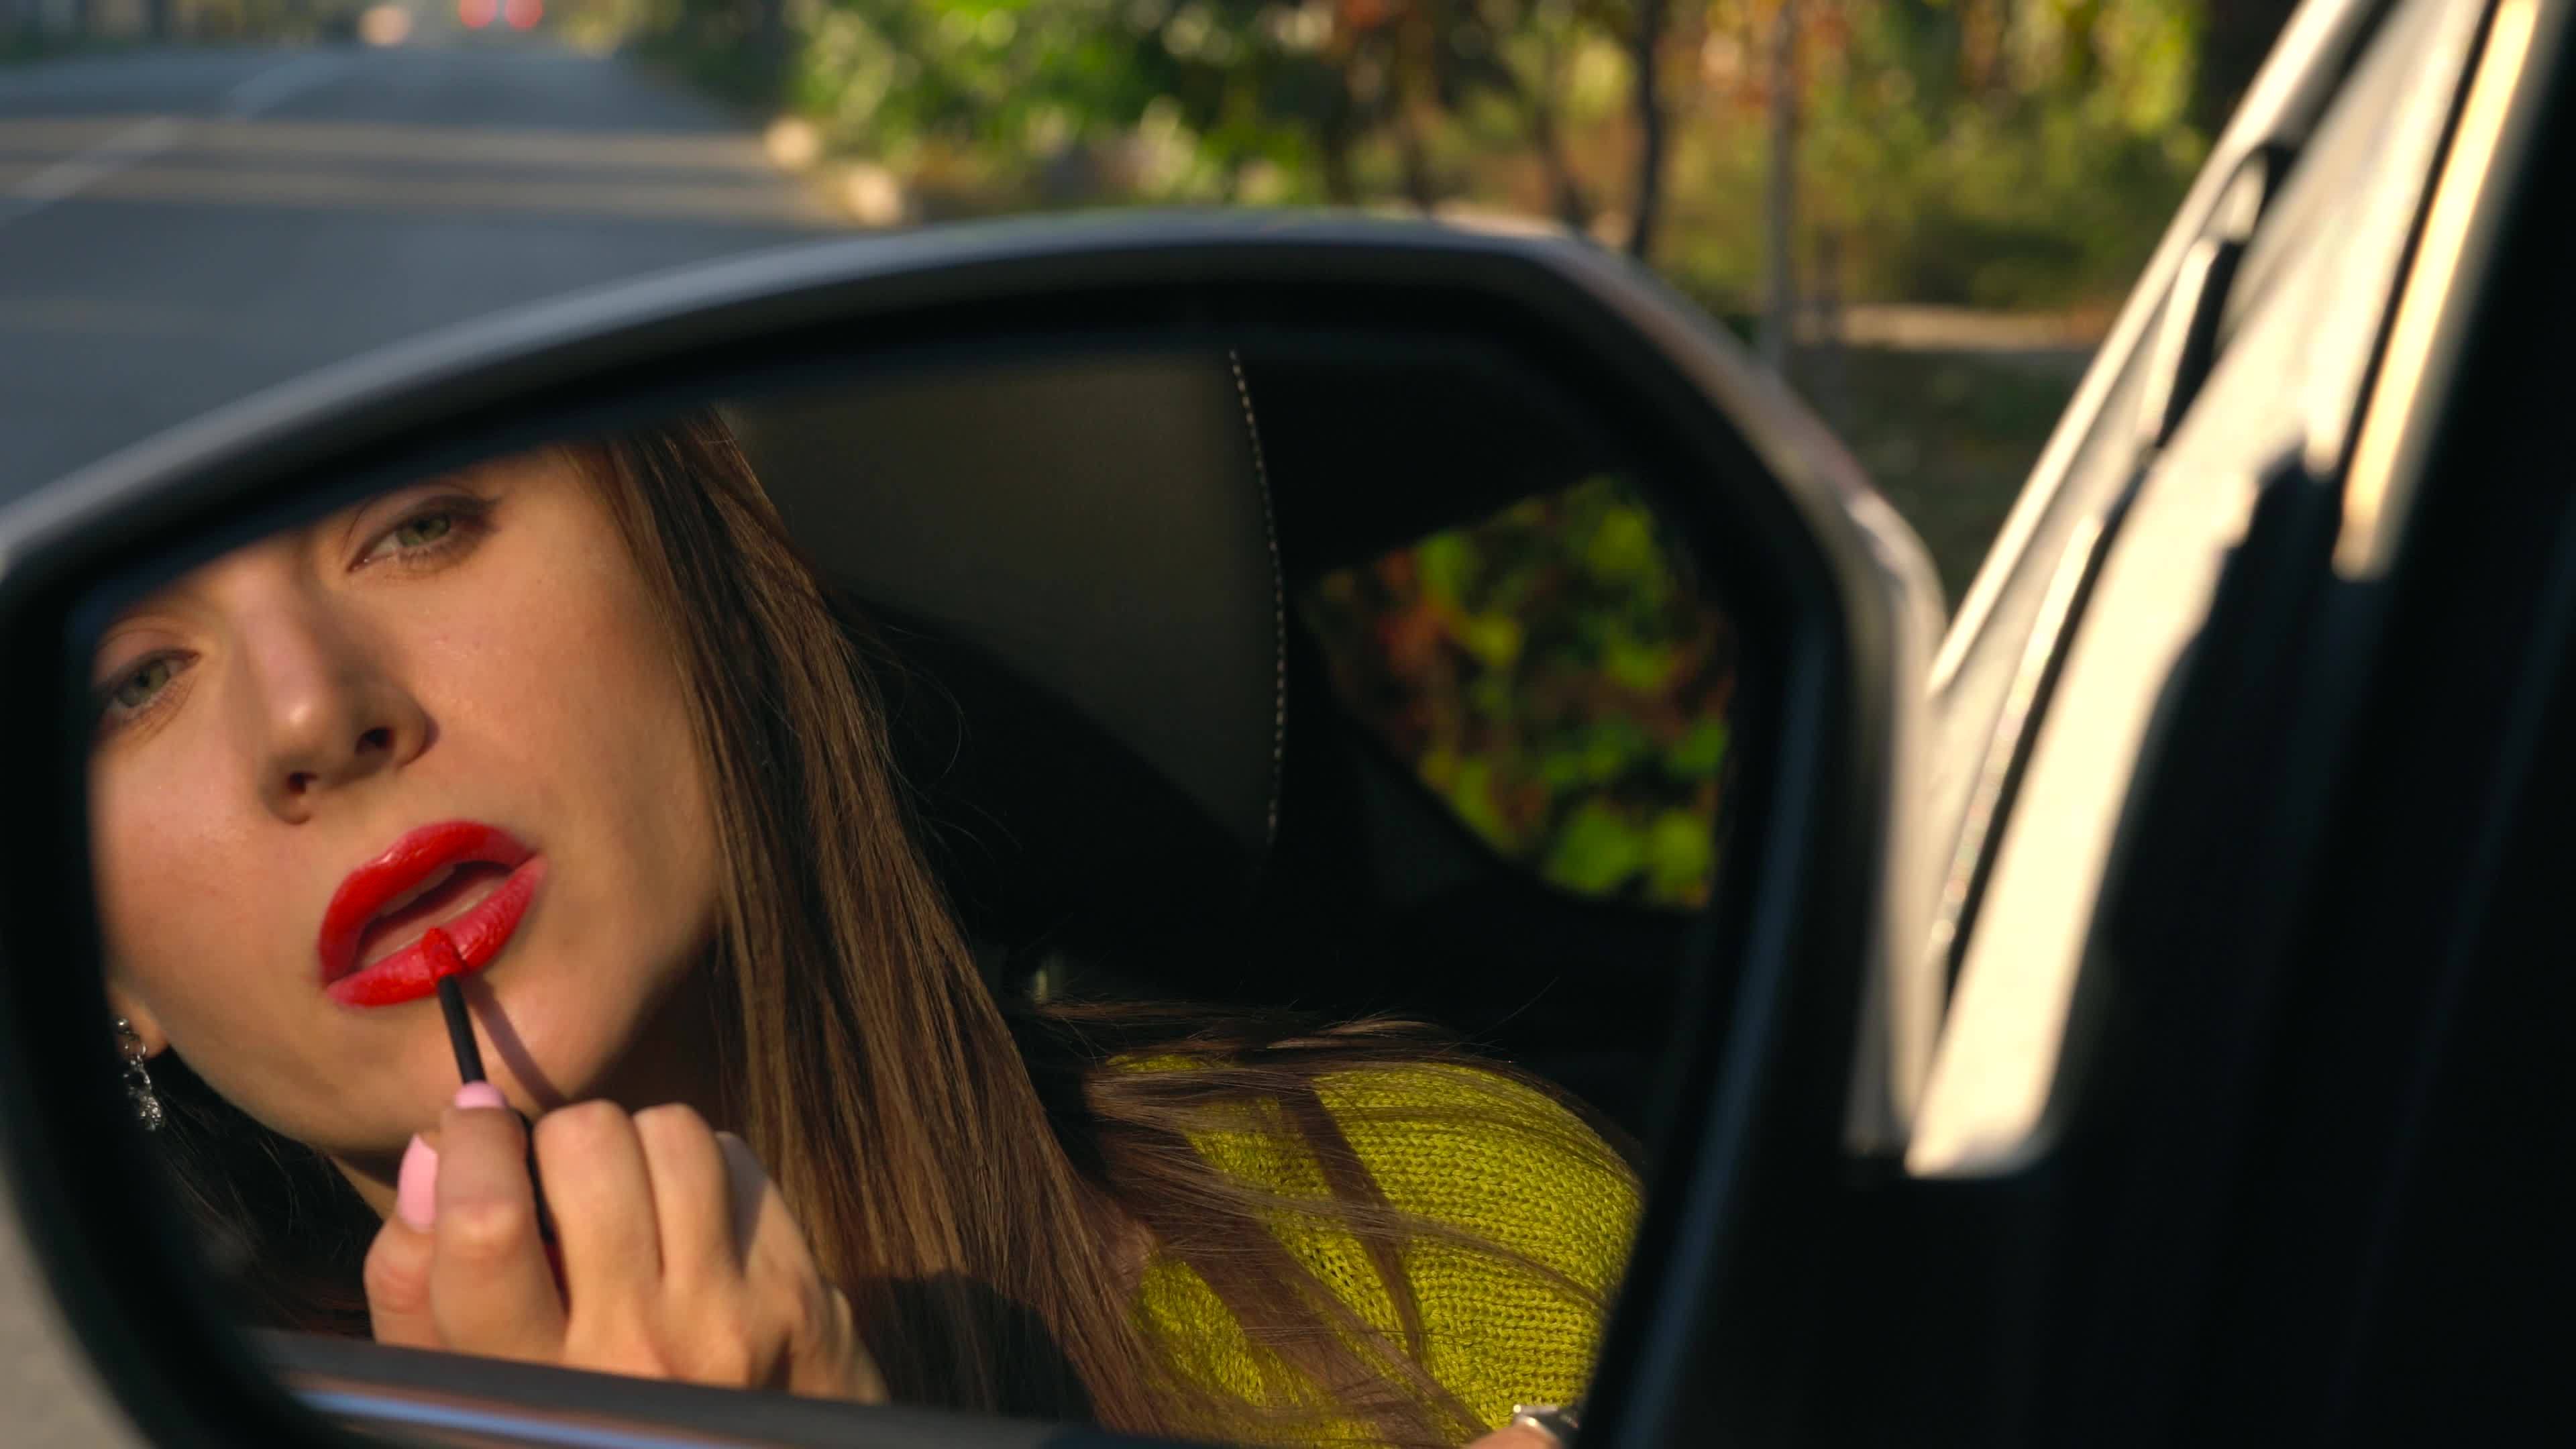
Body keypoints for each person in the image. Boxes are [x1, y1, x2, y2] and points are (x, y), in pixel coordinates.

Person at [85, 412, 1642, 1448]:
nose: (313, 710)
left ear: (702, 583)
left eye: (423, 520)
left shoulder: (1444, 1249)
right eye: (131, 683)